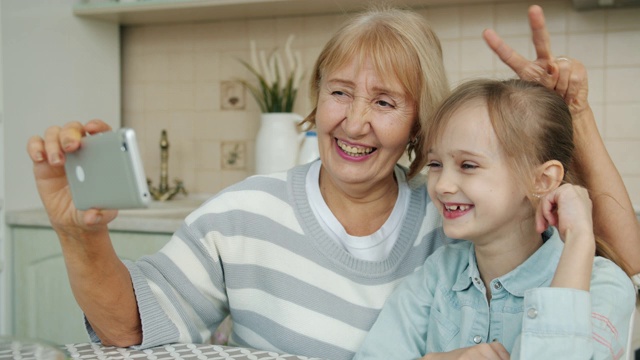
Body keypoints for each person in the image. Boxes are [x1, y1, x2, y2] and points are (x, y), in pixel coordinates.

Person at [26, 5, 640, 360]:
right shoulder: (245, 212)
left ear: (422, 123)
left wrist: (571, 118)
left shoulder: (456, 213)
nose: (353, 121)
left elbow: (618, 270)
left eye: (385, 101)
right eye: (338, 92)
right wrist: (76, 233)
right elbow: (134, 329)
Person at [354, 78, 636, 360]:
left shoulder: (603, 285)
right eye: (436, 164)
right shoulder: (438, 275)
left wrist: (579, 241)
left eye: (468, 165)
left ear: (542, 180)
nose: (442, 186)